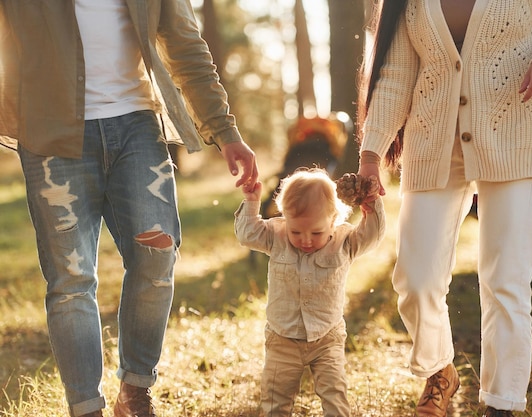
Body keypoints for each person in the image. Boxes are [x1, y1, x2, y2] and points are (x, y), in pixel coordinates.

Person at [0, 1, 258, 417]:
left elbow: (185, 44)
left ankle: (135, 389)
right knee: (70, 277)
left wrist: (225, 130)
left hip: (136, 124)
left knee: (157, 254)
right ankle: (86, 407)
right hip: (51, 131)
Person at [356, 1, 532, 416]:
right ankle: (439, 370)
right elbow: (395, 77)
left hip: (514, 135)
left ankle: (502, 403)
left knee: (506, 280)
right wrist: (371, 154)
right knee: (416, 276)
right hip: (432, 143)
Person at [234, 168, 385, 417]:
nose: (305, 240)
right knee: (275, 401)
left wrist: (371, 203)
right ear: (285, 219)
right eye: (296, 231)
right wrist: (252, 202)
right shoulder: (277, 236)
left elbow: (372, 235)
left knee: (335, 396)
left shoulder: (344, 242)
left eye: (316, 232)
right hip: (282, 338)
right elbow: (247, 234)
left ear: (333, 219)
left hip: (327, 338)